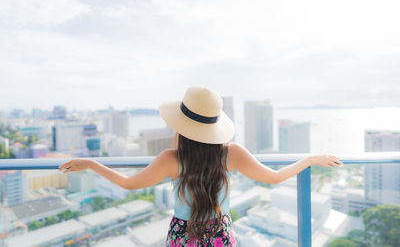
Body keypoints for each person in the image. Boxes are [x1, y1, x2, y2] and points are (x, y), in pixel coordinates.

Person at [59, 86, 343, 246]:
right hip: (220, 235)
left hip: (183, 236)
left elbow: (127, 183)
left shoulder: (171, 159)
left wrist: (91, 163)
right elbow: (275, 177)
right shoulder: (232, 153)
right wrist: (309, 159)